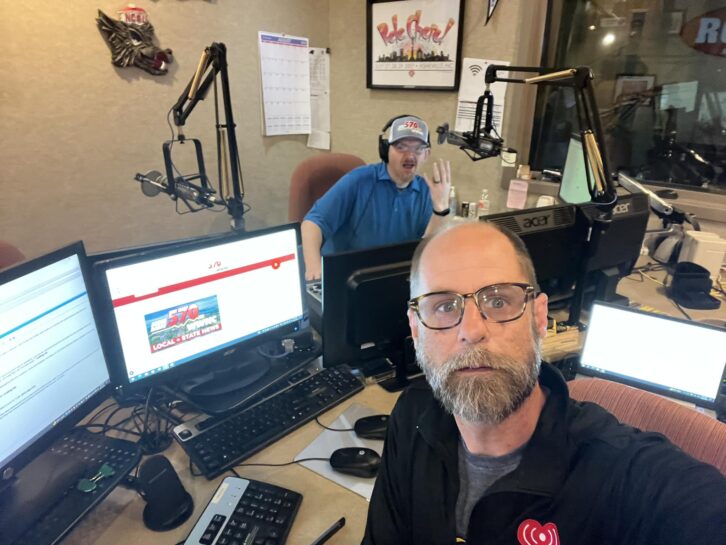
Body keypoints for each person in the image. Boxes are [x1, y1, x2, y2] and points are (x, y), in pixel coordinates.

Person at [362, 221, 726, 545]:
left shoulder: (621, 475)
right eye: (443, 307)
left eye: (499, 300)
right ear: (415, 328)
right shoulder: (413, 416)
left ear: (539, 317)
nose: (471, 331)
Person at [301, 115, 451, 281]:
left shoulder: (426, 190)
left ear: (426, 154)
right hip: (349, 277)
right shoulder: (359, 180)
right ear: (386, 149)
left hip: (395, 280)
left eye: (418, 149)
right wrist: (314, 269)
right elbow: (312, 223)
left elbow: (427, 248)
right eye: (401, 147)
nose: (410, 156)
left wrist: (440, 209)